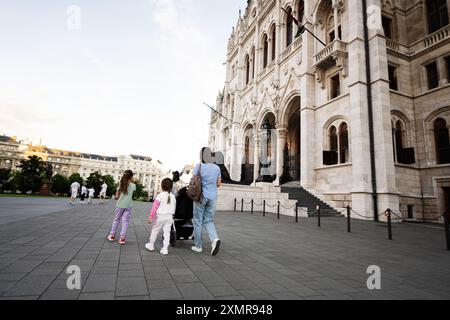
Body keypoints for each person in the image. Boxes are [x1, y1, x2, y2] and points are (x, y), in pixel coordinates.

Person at [191, 147, 222, 256]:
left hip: (201, 196)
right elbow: (218, 184)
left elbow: (193, 181)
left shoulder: (198, 166)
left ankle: (198, 246)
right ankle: (214, 239)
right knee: (208, 220)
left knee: (198, 221)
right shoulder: (217, 168)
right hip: (213, 197)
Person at [145, 178, 176, 255]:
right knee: (167, 233)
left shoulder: (160, 196)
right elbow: (174, 207)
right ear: (171, 187)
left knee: (155, 230)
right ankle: (165, 249)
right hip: (169, 217)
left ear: (162, 186)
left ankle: (151, 245)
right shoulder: (173, 196)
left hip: (160, 217)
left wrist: (151, 217)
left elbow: (154, 207)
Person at [107, 170, 136, 245]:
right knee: (125, 221)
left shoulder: (121, 184)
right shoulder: (133, 186)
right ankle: (122, 238)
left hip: (120, 205)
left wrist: (118, 196)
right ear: (131, 177)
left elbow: (117, 195)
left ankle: (112, 236)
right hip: (128, 205)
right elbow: (132, 191)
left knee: (116, 220)